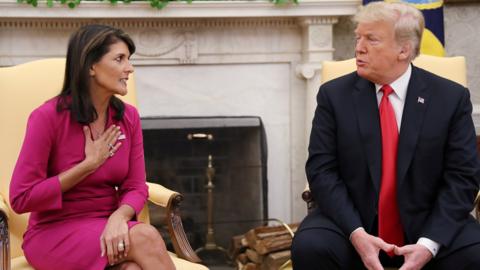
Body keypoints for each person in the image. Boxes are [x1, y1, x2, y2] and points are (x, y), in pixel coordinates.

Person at [291, 2, 480, 270]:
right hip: (352, 222)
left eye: (371, 39)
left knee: (475, 254)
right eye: (358, 37)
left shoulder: (450, 98)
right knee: (311, 247)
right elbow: (322, 171)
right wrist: (356, 233)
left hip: (427, 222)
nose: (359, 47)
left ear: (404, 49)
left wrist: (428, 245)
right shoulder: (334, 96)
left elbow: (463, 178)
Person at [9, 24, 175, 270]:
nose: (129, 68)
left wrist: (119, 218)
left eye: (129, 59)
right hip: (54, 234)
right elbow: (21, 199)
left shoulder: (128, 117)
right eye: (119, 59)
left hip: (108, 225)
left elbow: (135, 185)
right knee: (146, 236)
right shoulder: (47, 117)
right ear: (90, 66)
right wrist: (88, 165)